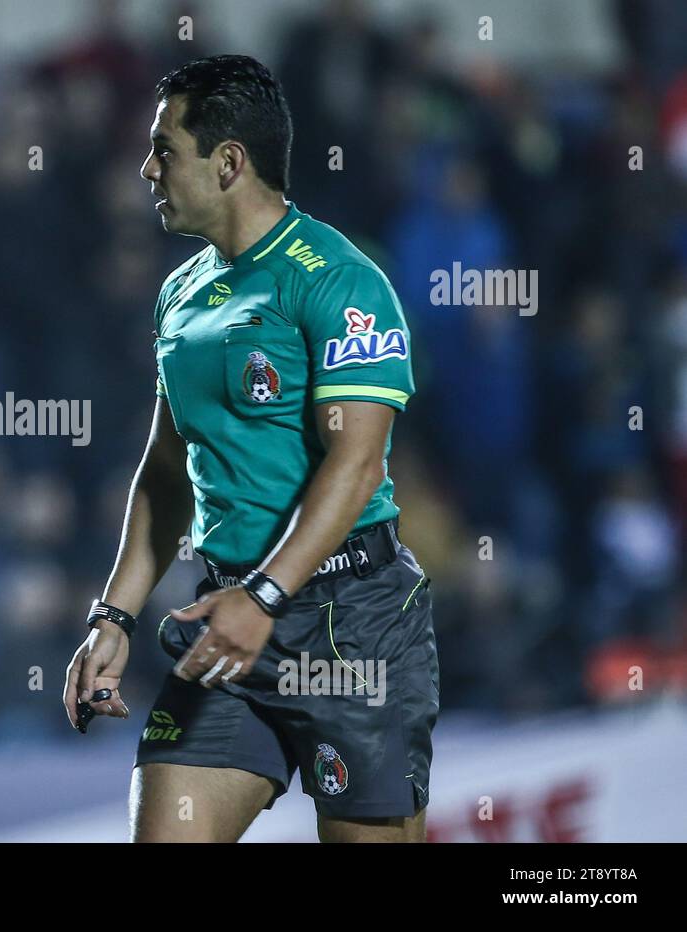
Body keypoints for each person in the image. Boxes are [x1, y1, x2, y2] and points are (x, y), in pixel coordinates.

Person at [63, 55, 437, 843]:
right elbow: (167, 471)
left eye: (165, 149)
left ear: (228, 163)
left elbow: (357, 464)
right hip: (225, 626)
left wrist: (265, 597)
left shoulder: (339, 281)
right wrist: (115, 616)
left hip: (351, 626)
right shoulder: (181, 292)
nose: (147, 168)